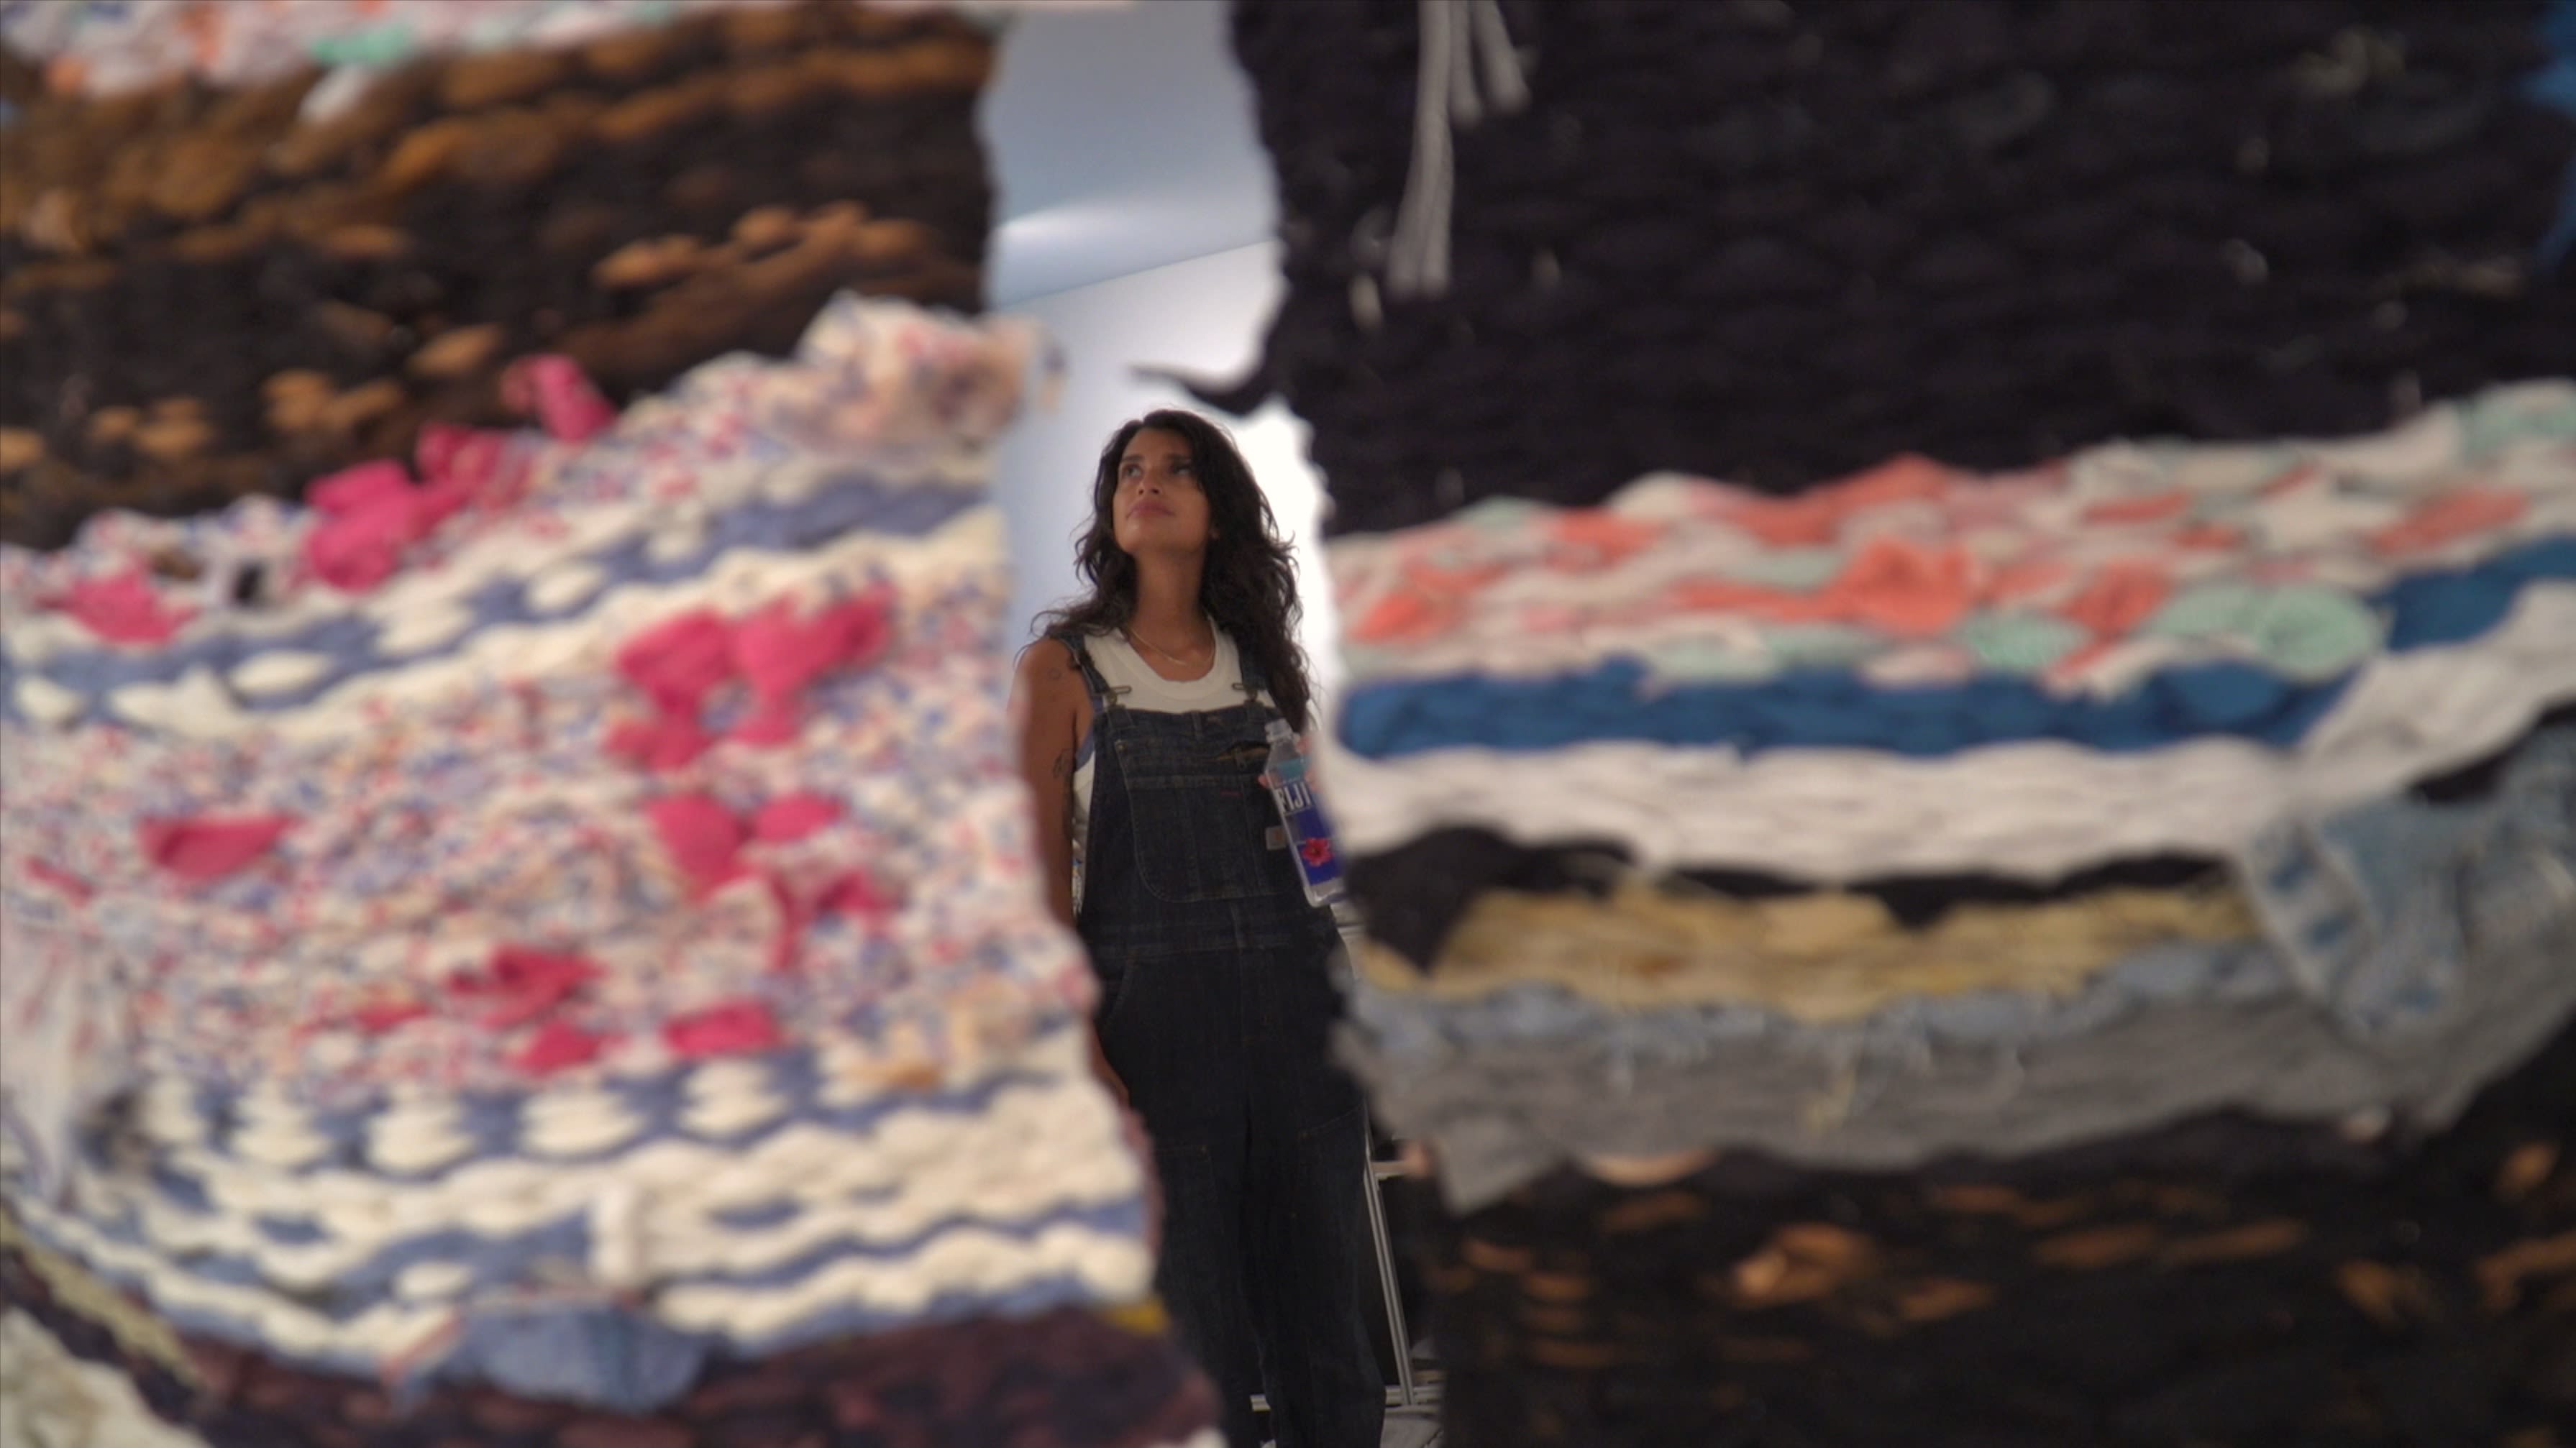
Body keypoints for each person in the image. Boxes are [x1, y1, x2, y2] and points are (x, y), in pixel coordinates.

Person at [1010, 411, 1384, 1448]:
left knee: (1328, 1334)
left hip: (1305, 1020)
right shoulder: (1063, 671)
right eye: (1131, 471)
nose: (1149, 484)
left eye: (1177, 470)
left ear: (1220, 511)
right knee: (1197, 1336)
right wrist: (1077, 1046)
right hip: (1155, 1038)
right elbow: (1028, 884)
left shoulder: (1265, 669)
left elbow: (1319, 862)